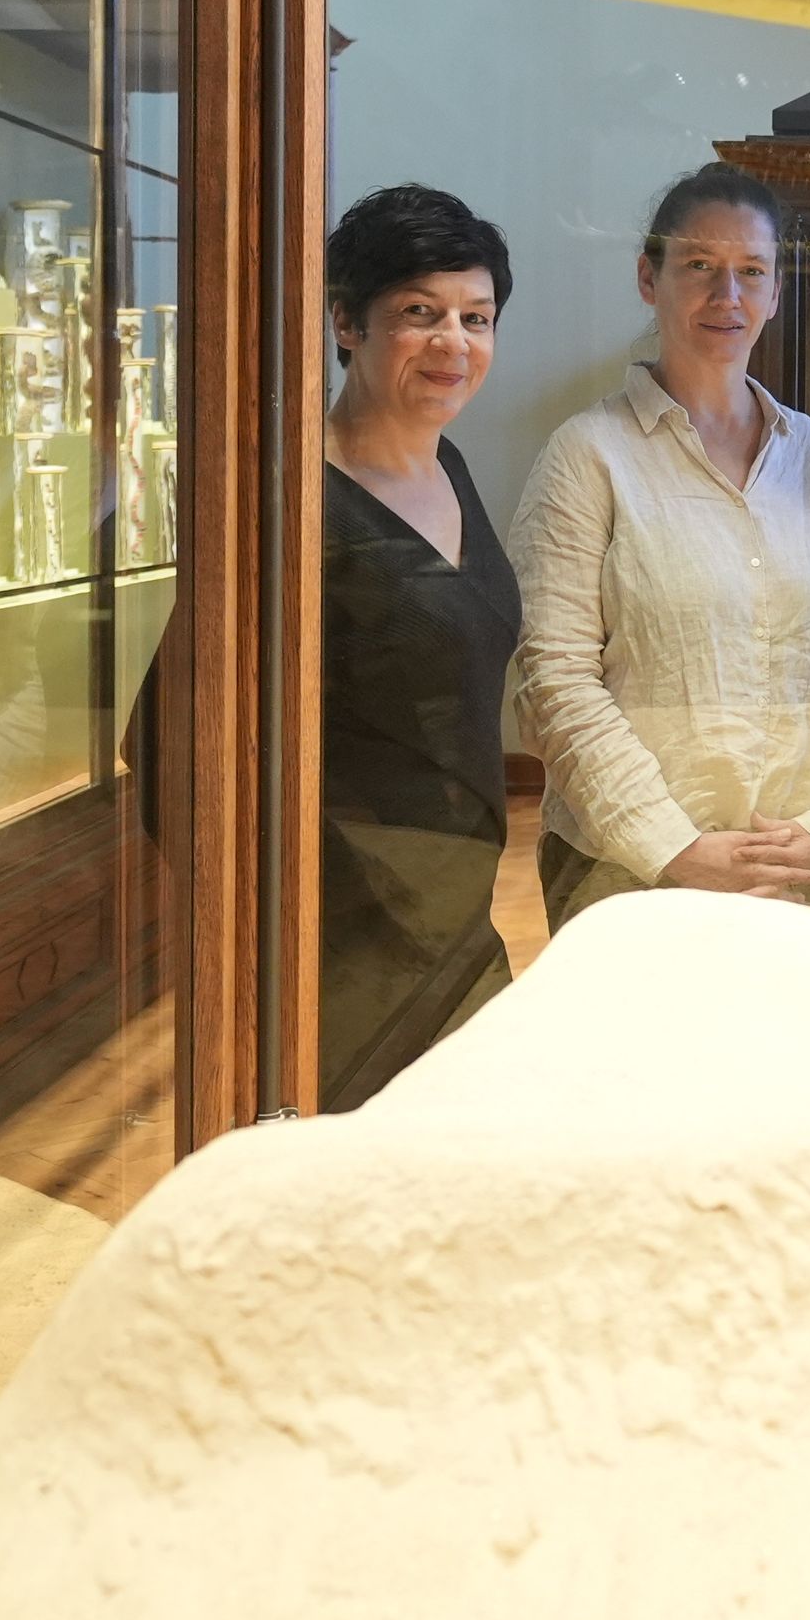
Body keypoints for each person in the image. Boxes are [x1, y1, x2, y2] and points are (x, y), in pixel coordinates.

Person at [512, 164, 810, 924]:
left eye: (751, 271)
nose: (729, 296)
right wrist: (671, 846)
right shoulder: (589, 454)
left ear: (777, 291)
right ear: (649, 279)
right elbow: (555, 678)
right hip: (626, 877)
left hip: (788, 868)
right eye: (700, 268)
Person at [308, 183, 522, 1108]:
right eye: (419, 314)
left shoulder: (450, 464)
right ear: (346, 322)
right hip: (346, 933)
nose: (454, 344)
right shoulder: (296, 494)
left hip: (455, 902)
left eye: (476, 317)